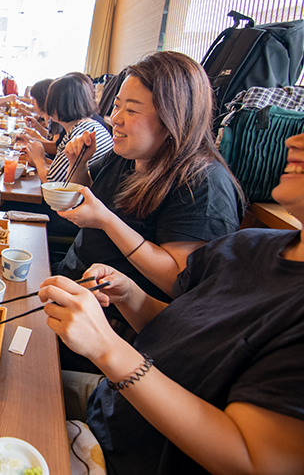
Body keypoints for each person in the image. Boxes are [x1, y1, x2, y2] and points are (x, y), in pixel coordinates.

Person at [37, 132, 304, 474]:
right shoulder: (254, 244)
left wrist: (107, 348)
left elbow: (252, 461)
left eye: (132, 109)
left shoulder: (203, 184)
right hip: (108, 409)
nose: (292, 140)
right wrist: (132, 296)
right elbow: (193, 331)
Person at [54, 51, 243, 304]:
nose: (115, 119)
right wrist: (78, 163)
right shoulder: (126, 154)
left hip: (111, 318)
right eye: (117, 105)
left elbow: (179, 281)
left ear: (173, 118)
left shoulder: (202, 184)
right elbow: (86, 198)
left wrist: (107, 221)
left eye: (131, 110)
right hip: (70, 282)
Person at [21, 74, 113, 185]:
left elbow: (52, 183)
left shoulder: (80, 135)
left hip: (76, 199)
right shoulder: (87, 126)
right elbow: (61, 171)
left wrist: (38, 159)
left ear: (59, 104)